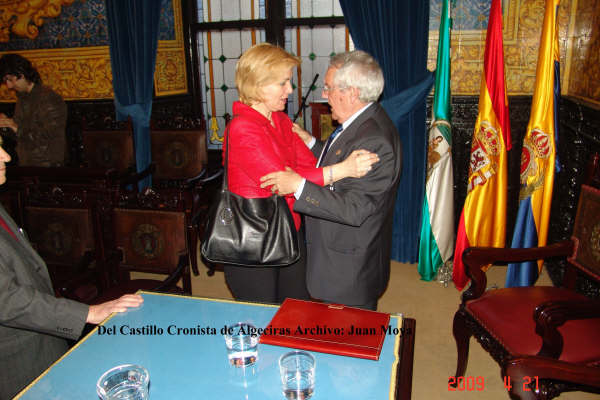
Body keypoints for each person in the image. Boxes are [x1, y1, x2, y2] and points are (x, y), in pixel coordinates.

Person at [223, 43, 379, 304]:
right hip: (253, 239)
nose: (290, 90)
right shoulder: (242, 128)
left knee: (296, 307)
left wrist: (310, 174)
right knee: (263, 314)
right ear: (258, 84)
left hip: (288, 229)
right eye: (282, 83)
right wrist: (343, 169)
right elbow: (281, 181)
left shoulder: (281, 120)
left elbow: (308, 167)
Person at [0, 137, 143, 399]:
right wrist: (87, 312)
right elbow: (6, 300)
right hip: (17, 364)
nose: (6, 156)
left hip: (41, 341)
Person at [260, 50, 402, 310]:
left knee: (347, 331)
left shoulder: (374, 141)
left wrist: (298, 186)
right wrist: (313, 144)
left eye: (328, 88)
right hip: (344, 259)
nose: (324, 95)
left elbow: (354, 208)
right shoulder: (365, 122)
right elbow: (343, 157)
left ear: (352, 93)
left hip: (349, 270)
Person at [0, 53, 67, 167]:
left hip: (48, 165)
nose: (9, 86)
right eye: (6, 81)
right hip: (28, 163)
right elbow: (20, 135)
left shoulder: (48, 98)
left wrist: (16, 127)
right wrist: (6, 125)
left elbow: (50, 135)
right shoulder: (23, 98)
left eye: (10, 80)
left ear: (22, 74)